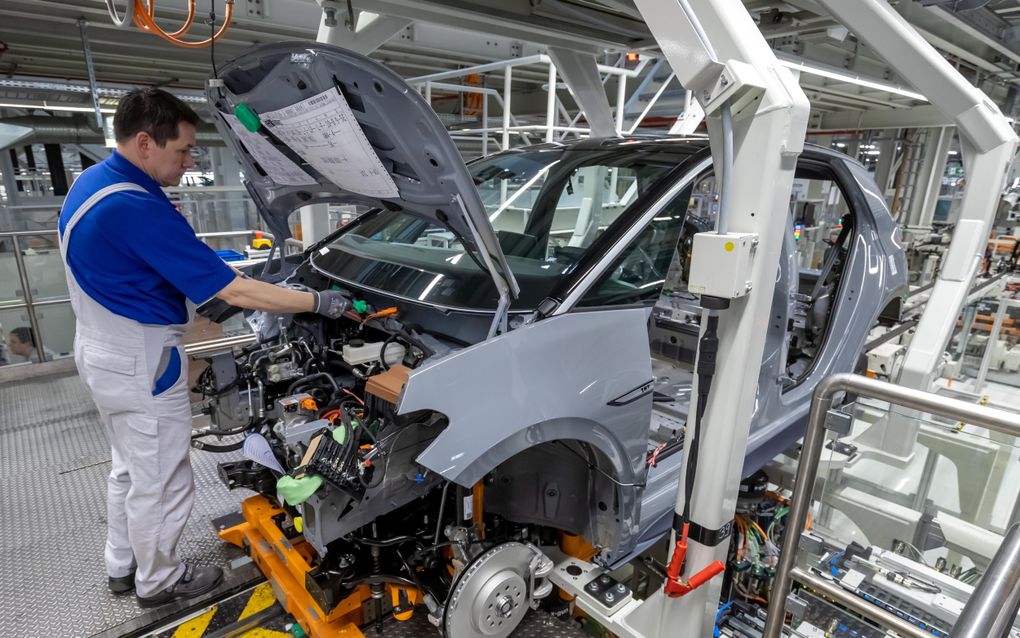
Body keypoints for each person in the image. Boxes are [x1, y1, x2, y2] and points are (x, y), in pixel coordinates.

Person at [58, 88, 349, 608]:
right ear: (145, 142)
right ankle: (159, 581)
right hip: (140, 358)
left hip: (102, 349)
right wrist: (314, 301)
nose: (191, 160)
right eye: (184, 149)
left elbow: (150, 262)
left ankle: (122, 565)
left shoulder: (93, 183)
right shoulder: (135, 205)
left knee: (129, 465)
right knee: (164, 477)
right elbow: (232, 291)